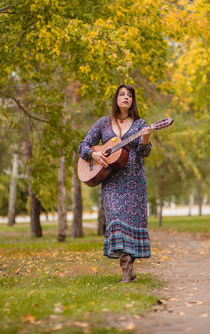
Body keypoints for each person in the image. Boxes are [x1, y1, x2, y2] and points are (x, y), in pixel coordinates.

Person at [78, 83, 152, 283]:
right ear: (116, 99)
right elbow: (83, 146)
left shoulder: (139, 124)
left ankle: (130, 269)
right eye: (122, 94)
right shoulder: (103, 124)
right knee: (116, 220)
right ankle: (126, 270)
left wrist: (145, 139)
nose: (126, 97)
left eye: (129, 95)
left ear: (133, 100)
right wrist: (95, 153)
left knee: (133, 223)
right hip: (111, 182)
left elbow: (144, 153)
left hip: (134, 181)